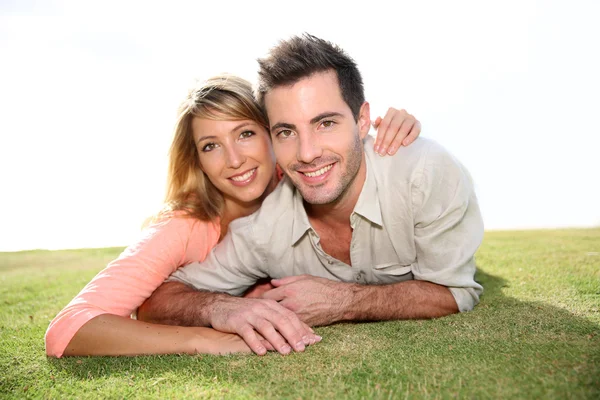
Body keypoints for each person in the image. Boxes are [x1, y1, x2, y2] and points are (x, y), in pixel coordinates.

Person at [138, 34, 484, 357]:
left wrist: (344, 301)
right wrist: (223, 307)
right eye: (286, 131)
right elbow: (159, 301)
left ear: (363, 121)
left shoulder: (425, 172)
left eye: (325, 123)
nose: (306, 153)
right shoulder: (264, 230)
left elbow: (454, 292)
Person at [44, 72, 422, 357]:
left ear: (274, 134)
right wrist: (206, 337)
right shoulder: (183, 227)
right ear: (198, 161)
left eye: (244, 134)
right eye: (211, 146)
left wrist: (391, 132)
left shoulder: (303, 179)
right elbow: (69, 327)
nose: (235, 159)